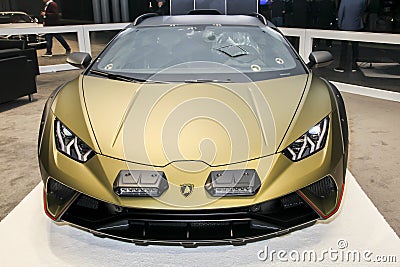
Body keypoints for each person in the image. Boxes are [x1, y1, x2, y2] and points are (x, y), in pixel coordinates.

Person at [334, 0, 367, 72]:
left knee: (344, 47)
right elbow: (363, 11)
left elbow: (340, 13)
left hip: (345, 26)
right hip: (356, 25)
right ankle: (354, 66)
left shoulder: (344, 1)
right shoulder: (362, 1)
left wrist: (339, 24)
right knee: (355, 47)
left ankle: (342, 66)